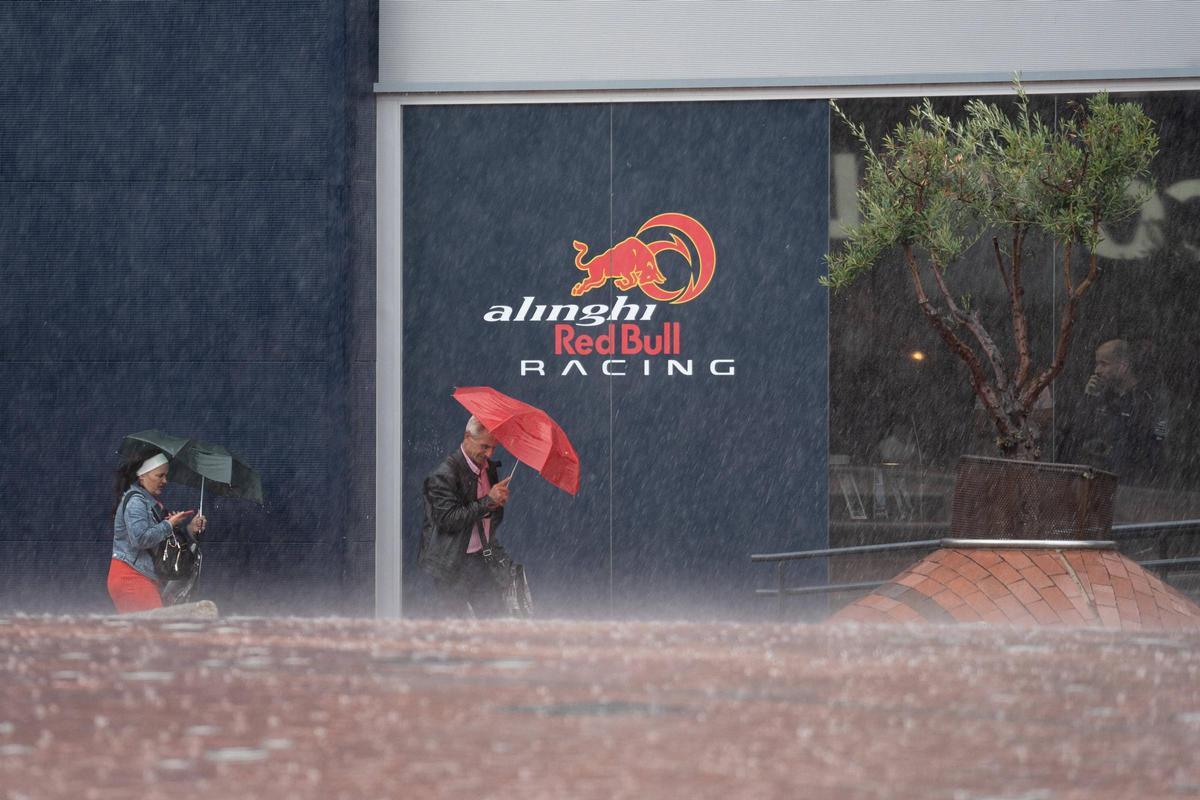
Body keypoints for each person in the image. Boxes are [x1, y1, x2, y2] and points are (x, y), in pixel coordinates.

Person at [419, 416, 512, 617]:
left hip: (480, 559)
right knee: (456, 627)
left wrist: (496, 504)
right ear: (467, 437)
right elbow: (448, 520)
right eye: (484, 446)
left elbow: (490, 517)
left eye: (494, 448)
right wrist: (488, 501)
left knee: (495, 619)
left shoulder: (489, 469)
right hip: (451, 563)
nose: (489, 453)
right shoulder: (443, 475)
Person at [107, 448, 207, 613]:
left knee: (145, 634)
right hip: (131, 577)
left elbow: (162, 542)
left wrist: (189, 529)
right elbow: (140, 539)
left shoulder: (150, 503)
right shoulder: (136, 502)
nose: (165, 480)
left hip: (141, 577)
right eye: (160, 475)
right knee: (152, 632)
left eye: (166, 475)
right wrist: (168, 525)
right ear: (142, 476)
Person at [1062, 338, 1169, 486]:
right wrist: (1088, 399)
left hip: (1133, 483)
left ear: (1123, 366)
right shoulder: (1102, 397)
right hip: (1099, 479)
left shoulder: (1146, 400)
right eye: (1097, 363)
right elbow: (1078, 433)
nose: (1096, 370)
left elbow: (1153, 446)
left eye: (1103, 364)